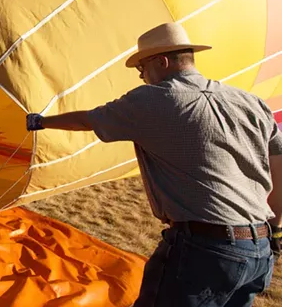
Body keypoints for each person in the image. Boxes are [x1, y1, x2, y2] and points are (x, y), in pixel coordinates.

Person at [26, 23, 281, 307]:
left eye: (142, 68)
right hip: (259, 249)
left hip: (205, 252)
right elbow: (279, 167)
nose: (142, 76)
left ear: (162, 61)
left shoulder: (154, 99)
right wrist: (275, 229)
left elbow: (89, 120)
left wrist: (41, 122)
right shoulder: (251, 103)